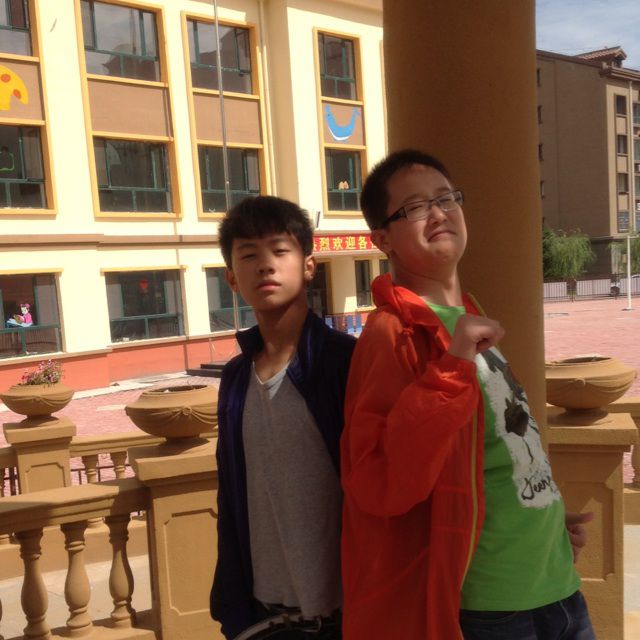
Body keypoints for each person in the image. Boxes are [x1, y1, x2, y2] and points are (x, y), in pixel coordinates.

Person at [340, 149, 595, 640]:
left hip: (557, 584)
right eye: (415, 207)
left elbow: (494, 457)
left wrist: (541, 519)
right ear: (383, 239)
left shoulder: (469, 316)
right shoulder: (391, 333)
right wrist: (452, 368)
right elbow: (381, 481)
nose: (438, 213)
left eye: (446, 198)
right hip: (493, 608)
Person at [210, 195, 356, 640]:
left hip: (347, 613)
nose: (265, 266)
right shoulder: (236, 379)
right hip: (265, 615)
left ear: (309, 266)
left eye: (279, 250)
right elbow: (231, 494)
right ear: (232, 278)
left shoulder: (345, 362)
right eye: (249, 255)